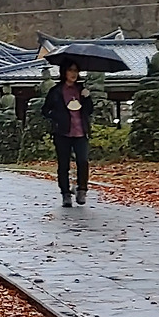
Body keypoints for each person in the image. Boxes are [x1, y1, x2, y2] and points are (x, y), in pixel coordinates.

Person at [41, 57, 94, 207]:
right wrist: (57, 117)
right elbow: (45, 110)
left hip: (80, 131)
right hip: (62, 132)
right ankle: (65, 193)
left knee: (83, 161)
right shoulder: (56, 91)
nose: (73, 73)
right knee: (63, 164)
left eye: (76, 70)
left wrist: (87, 98)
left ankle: (82, 189)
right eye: (70, 70)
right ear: (64, 72)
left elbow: (89, 111)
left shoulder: (81, 90)